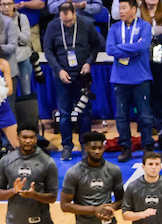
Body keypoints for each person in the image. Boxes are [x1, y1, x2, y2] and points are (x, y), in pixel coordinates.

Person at [44, 3, 101, 160]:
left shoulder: (86, 24)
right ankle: (67, 146)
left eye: (69, 21)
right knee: (64, 113)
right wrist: (58, 69)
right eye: (64, 21)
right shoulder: (53, 26)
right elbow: (47, 49)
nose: (67, 24)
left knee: (85, 111)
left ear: (75, 13)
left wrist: (89, 62)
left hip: (82, 76)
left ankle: (85, 144)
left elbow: (96, 44)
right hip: (62, 76)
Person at [108, 0, 154, 166]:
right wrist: (132, 48)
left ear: (134, 9)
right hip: (119, 79)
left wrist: (123, 47)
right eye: (119, 8)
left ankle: (147, 146)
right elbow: (109, 49)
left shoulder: (145, 26)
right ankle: (125, 146)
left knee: (145, 114)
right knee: (121, 116)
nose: (120, 11)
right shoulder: (114, 28)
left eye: (124, 8)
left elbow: (143, 47)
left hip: (140, 77)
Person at [138, 0, 162, 137]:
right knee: (143, 96)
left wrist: (155, 39)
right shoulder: (138, 13)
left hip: (160, 61)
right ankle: (145, 124)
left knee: (159, 95)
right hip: (142, 62)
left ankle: (161, 125)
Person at [0, 0, 32, 96]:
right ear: (0, 6)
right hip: (5, 59)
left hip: (22, 58)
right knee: (6, 90)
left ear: (13, 5)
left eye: (9, 4)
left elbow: (26, 40)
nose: (6, 7)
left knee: (26, 90)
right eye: (3, 4)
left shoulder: (22, 18)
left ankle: (27, 110)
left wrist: (13, 27)